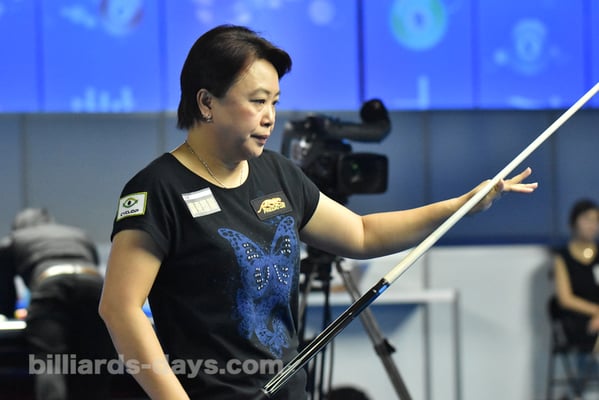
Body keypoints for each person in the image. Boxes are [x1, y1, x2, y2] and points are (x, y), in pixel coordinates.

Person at [98, 24, 538, 400]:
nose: (270, 117)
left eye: (274, 101)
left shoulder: (276, 173)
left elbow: (362, 234)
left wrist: (458, 207)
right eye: (257, 101)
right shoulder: (158, 189)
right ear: (206, 102)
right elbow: (120, 309)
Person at [0, 208, 115, 400]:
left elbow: (5, 287)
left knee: (50, 362)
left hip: (50, 285)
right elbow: (93, 264)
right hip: (94, 286)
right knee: (94, 363)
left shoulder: (14, 239)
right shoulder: (79, 234)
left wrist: (9, 313)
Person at [553, 199, 599, 353]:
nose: (592, 225)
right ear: (574, 222)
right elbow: (565, 299)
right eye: (587, 219)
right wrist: (596, 311)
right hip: (578, 319)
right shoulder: (563, 258)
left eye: (596, 220)